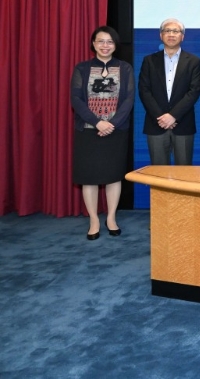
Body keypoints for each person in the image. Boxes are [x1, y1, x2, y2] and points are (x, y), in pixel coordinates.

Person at [70, 26, 134, 240]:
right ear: (93, 44)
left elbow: (129, 99)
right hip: (89, 131)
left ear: (115, 45)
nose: (105, 45)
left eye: (110, 41)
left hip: (116, 130)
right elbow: (76, 99)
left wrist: (112, 124)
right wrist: (97, 122)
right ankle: (94, 220)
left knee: (113, 176)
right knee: (89, 177)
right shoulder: (82, 68)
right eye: (101, 41)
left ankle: (111, 218)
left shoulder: (124, 68)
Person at [138, 18, 200, 165]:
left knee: (184, 173)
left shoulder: (193, 61)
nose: (171, 34)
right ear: (161, 35)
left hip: (183, 124)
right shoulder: (149, 61)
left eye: (176, 31)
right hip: (156, 124)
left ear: (182, 36)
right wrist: (161, 117)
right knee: (158, 173)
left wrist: (173, 116)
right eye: (167, 31)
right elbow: (144, 91)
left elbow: (194, 91)